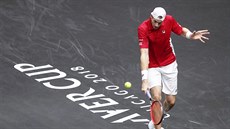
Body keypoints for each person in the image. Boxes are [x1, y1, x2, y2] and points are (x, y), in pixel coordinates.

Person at [138, 7, 210, 129]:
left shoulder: (169, 20)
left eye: (159, 23)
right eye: (154, 21)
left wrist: (190, 35)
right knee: (156, 97)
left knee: (171, 101)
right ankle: (157, 127)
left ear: (164, 20)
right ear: (151, 16)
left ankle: (159, 115)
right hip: (152, 66)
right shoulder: (143, 28)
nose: (156, 24)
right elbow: (144, 54)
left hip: (169, 64)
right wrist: (144, 79)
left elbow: (181, 30)